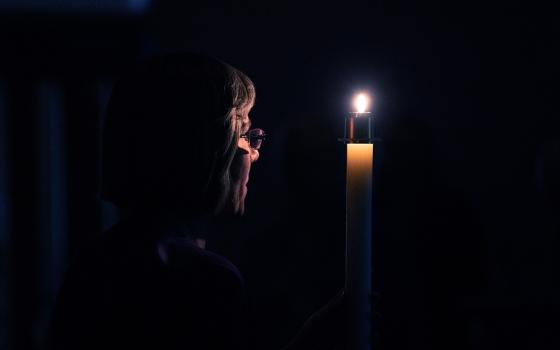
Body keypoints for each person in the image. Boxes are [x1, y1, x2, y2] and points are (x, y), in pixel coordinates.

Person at [49, 52, 344, 350]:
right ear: (206, 148)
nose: (255, 153)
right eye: (244, 134)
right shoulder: (201, 279)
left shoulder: (93, 265)